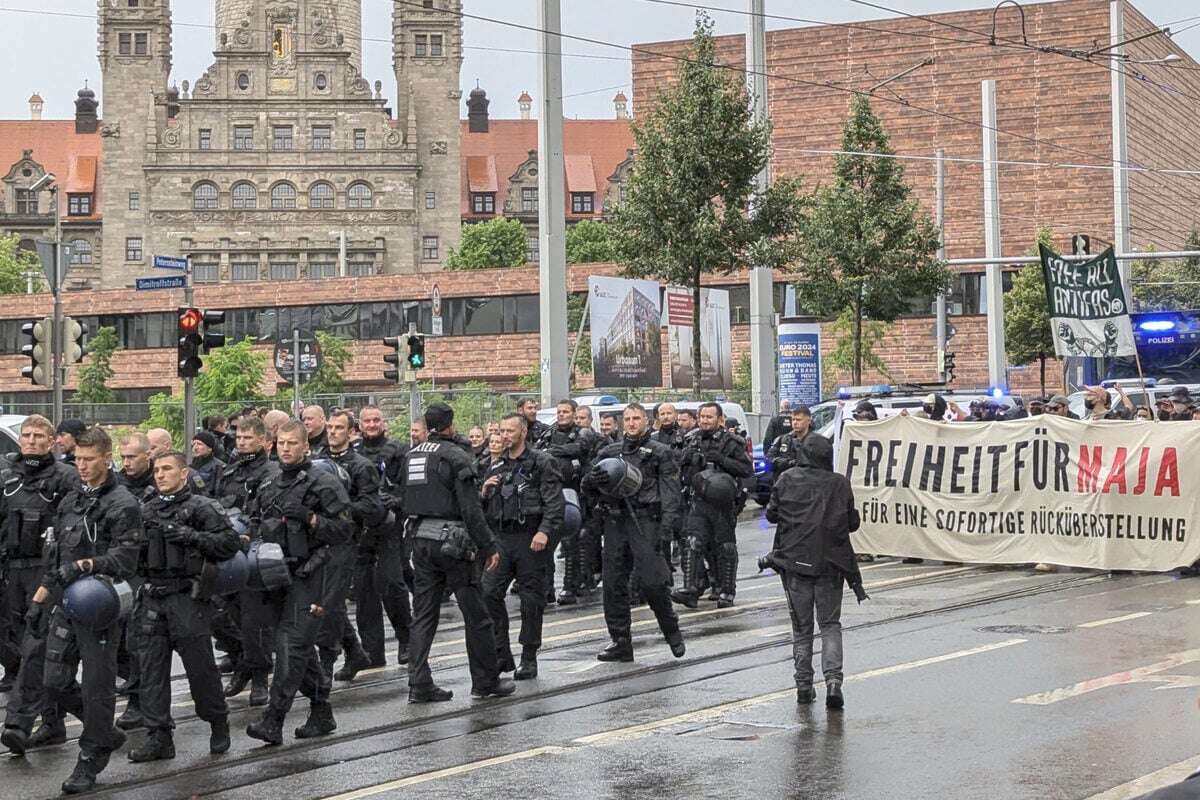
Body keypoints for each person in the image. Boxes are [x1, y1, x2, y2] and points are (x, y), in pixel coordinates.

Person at [23, 427, 142, 793]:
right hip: (65, 600)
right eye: (78, 460)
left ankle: (90, 759)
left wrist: (85, 566)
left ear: (108, 458)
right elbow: (56, 552)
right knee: (53, 681)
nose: (83, 466)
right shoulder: (72, 499)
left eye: (90, 460)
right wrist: (41, 598)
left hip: (99, 603)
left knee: (96, 687)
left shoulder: (123, 503)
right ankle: (104, 731)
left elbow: (125, 557)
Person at [244, 421, 355, 746]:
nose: (286, 448)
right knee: (295, 648)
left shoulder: (323, 482)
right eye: (281, 443)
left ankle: (273, 720)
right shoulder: (271, 483)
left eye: (293, 443)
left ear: (306, 446)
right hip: (276, 575)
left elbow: (345, 531)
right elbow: (255, 519)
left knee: (291, 646)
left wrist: (311, 518)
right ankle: (321, 708)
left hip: (313, 574)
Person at [127, 451, 238, 763]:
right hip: (152, 597)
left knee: (201, 670)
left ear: (184, 473)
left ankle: (218, 722)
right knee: (151, 671)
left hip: (186, 598)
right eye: (157, 470)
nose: (160, 475)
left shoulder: (202, 507)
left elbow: (230, 543)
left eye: (167, 469)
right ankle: (158, 736)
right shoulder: (145, 509)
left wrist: (190, 536)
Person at [403, 402, 513, 702]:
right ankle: (485, 682)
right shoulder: (456, 456)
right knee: (476, 614)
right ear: (451, 425)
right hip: (453, 543)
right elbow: (470, 508)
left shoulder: (411, 455)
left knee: (423, 614)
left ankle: (418, 683)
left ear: (427, 426)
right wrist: (488, 545)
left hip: (419, 539)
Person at [764, 433, 866, 710]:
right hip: (831, 563)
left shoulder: (787, 479)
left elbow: (771, 514)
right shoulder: (839, 484)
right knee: (830, 624)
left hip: (795, 562)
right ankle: (833, 682)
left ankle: (803, 686)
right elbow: (852, 522)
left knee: (802, 628)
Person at [583, 403, 686, 663]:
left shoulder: (660, 452)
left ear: (647, 422)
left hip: (646, 521)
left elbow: (671, 494)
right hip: (616, 521)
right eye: (627, 419)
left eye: (636, 418)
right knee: (614, 584)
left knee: (653, 583)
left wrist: (666, 531)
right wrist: (595, 480)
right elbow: (588, 484)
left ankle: (671, 630)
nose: (631, 423)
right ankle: (620, 641)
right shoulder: (609, 451)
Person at [0, 416, 79, 746]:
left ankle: (21, 723)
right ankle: (74, 719)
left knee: (37, 646)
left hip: (44, 571)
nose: (31, 441)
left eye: (38, 436)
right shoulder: (6, 475)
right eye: (27, 435)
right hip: (10, 568)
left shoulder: (66, 477)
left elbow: (73, 527)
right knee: (14, 642)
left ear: (52, 440)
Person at [482, 414, 564, 679]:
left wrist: (544, 531)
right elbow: (482, 507)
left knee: (531, 600)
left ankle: (529, 656)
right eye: (501, 430)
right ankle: (500, 652)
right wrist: (483, 493)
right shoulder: (494, 465)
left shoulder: (541, 462)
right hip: (501, 538)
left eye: (510, 431)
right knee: (489, 593)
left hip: (530, 538)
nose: (505, 435)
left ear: (523, 432)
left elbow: (554, 503)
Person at [217, 414, 280, 706]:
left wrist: (249, 533)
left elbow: (268, 513)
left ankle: (259, 676)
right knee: (225, 615)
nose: (241, 442)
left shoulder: (271, 472)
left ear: (264, 441)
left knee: (256, 620)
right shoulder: (229, 472)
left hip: (256, 551)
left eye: (247, 438)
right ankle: (241, 663)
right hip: (229, 552)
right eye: (239, 437)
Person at [320, 410, 387, 683]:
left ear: (351, 432)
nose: (332, 432)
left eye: (338, 428)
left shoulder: (361, 465)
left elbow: (372, 507)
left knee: (332, 603)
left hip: (347, 540)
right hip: (320, 539)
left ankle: (328, 659)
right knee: (323, 601)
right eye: (330, 427)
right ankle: (355, 649)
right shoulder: (318, 462)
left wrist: (340, 507)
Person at [672, 403, 753, 609]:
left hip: (722, 502)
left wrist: (722, 460)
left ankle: (726, 589)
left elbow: (746, 470)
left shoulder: (732, 442)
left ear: (719, 419)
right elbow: (679, 471)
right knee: (692, 542)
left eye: (710, 417)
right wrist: (688, 461)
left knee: (724, 547)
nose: (705, 421)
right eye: (702, 417)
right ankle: (691, 588)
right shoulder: (691, 439)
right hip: (697, 500)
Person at [355, 405, 413, 670]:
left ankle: (406, 639)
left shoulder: (399, 450)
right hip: (360, 530)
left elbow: (410, 487)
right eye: (367, 421)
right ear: (359, 425)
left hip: (390, 526)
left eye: (376, 420)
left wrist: (396, 501)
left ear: (384, 423)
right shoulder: (353, 454)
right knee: (364, 592)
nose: (372, 424)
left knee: (392, 584)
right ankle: (371, 651)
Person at [535, 399, 594, 605]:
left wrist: (553, 451)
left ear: (574, 413)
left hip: (575, 492)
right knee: (547, 542)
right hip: (551, 493)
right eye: (559, 412)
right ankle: (547, 588)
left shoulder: (583, 432)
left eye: (566, 412)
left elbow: (580, 448)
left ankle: (571, 586)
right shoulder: (548, 433)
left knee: (573, 543)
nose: (561, 415)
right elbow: (536, 452)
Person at [766, 406, 813, 473]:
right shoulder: (782, 439)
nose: (795, 422)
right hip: (784, 480)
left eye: (799, 420)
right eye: (793, 419)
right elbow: (768, 459)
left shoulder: (817, 441)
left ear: (808, 421)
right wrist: (786, 463)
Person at [190, 431, 226, 496]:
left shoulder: (219, 466)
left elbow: (218, 492)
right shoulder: (192, 465)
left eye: (199, 444)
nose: (195, 447)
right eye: (194, 444)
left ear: (210, 448)